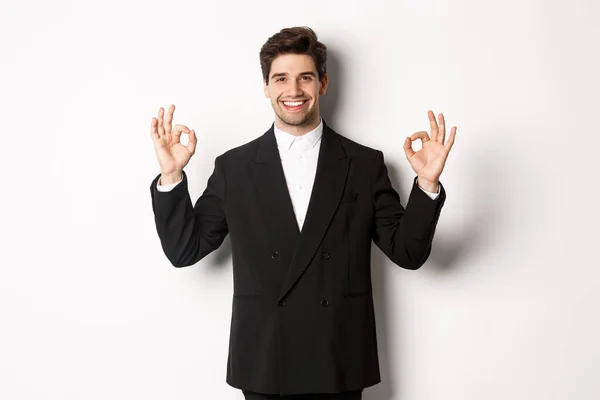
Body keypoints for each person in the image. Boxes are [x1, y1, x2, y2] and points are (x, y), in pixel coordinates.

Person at [149, 26, 456, 400]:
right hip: (264, 361)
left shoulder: (362, 164)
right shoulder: (234, 168)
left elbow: (408, 253)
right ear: (266, 86)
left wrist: (426, 184)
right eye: (281, 78)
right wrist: (171, 175)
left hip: (338, 359)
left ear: (323, 84)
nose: (293, 91)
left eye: (305, 78)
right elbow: (184, 250)